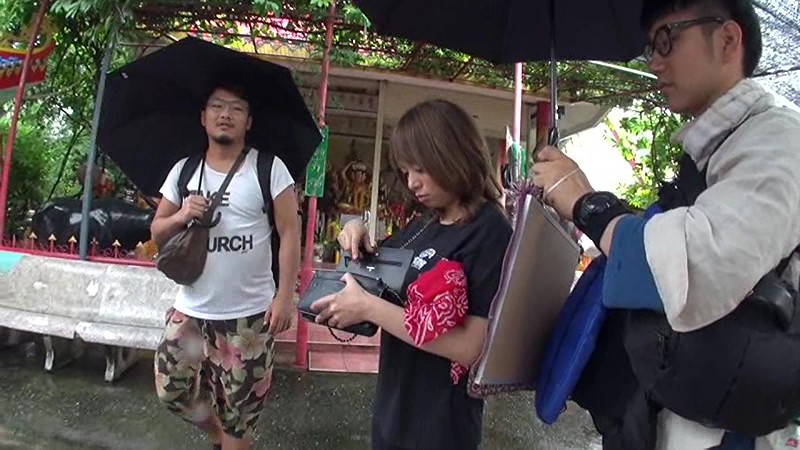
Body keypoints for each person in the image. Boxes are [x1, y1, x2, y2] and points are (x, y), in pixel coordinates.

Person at [532, 0, 800, 449]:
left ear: (727, 40)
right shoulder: (720, 144)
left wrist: (588, 206)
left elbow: (700, 261)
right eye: (650, 47)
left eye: (666, 40)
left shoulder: (778, 141)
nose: (654, 62)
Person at [310, 99, 513, 450]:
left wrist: (369, 308)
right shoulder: (425, 222)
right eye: (406, 171)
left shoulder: (490, 231)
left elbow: (472, 348)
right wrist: (356, 231)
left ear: (452, 155)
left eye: (420, 168)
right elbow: (382, 272)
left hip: (441, 427)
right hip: (394, 412)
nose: (412, 183)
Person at [150, 82, 301, 450]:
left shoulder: (269, 168)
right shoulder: (184, 170)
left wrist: (285, 296)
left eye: (236, 108)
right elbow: (157, 230)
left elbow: (290, 231)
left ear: (248, 121)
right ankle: (219, 434)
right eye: (217, 106)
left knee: (240, 415)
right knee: (171, 389)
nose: (226, 114)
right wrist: (182, 214)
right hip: (191, 311)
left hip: (249, 319)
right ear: (203, 117)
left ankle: (231, 437)